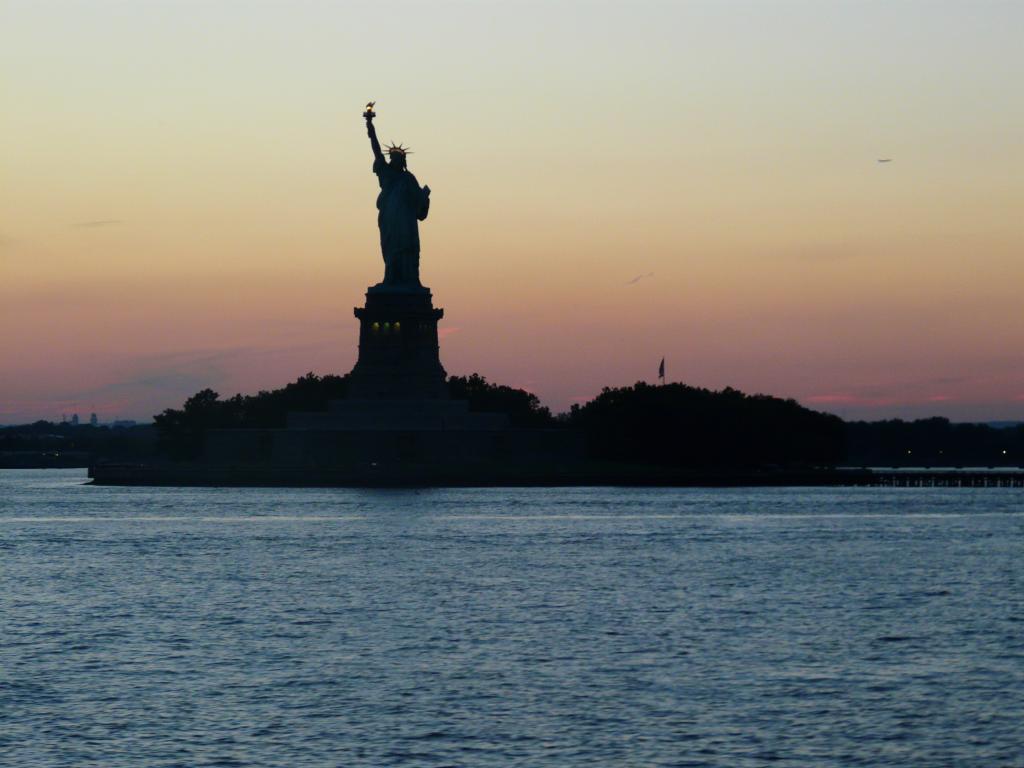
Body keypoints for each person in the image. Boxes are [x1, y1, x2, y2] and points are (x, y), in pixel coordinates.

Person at [366, 112, 430, 288]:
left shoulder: (408, 179)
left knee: (407, 248)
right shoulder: (386, 173)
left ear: (403, 161)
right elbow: (376, 150)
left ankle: (409, 280)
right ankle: (391, 278)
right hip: (389, 220)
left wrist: (424, 197)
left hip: (406, 223)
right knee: (391, 249)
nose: (394, 160)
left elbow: (420, 205)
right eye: (392, 158)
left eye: (397, 159)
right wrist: (370, 126)